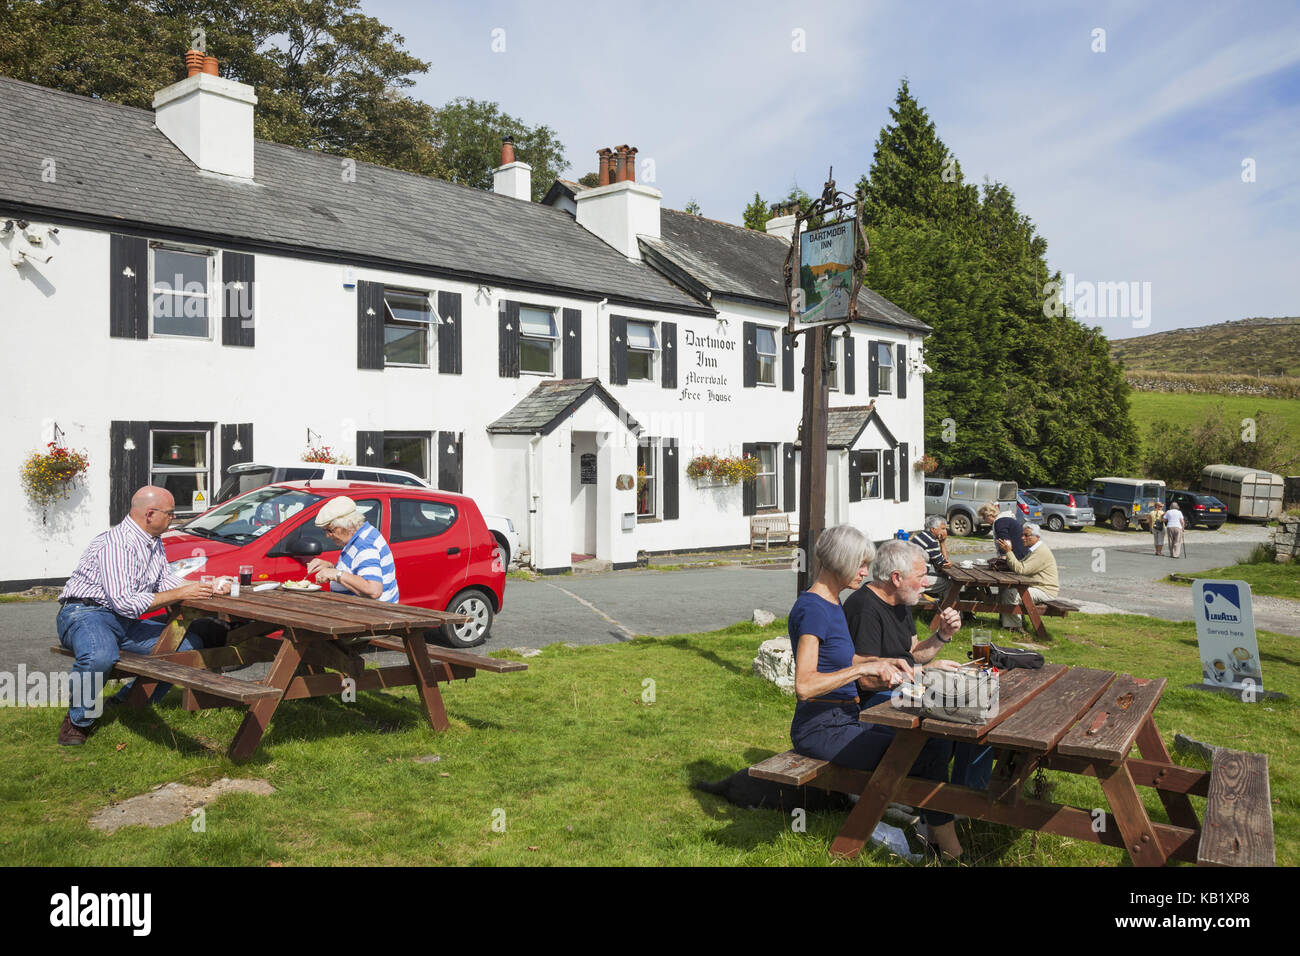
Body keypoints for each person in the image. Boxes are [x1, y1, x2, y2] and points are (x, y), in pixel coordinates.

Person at [788, 530, 966, 859]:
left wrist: (880, 662)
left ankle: (939, 838)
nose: (865, 572)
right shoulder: (813, 609)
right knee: (922, 750)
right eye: (861, 564)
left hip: (845, 718)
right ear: (841, 562)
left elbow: (846, 660)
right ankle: (950, 851)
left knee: (933, 736)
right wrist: (860, 671)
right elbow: (805, 685)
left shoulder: (832, 603)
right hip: (820, 728)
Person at [55, 486, 218, 745]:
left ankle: (128, 701)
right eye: (170, 513)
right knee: (100, 656)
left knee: (188, 647)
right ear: (150, 514)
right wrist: (181, 593)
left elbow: (165, 580)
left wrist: (205, 586)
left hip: (123, 621)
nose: (173, 518)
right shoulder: (117, 544)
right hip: (86, 614)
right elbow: (126, 603)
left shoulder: (152, 541)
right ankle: (78, 721)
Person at [306, 496, 399, 602]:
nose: (327, 535)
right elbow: (356, 571)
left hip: (372, 614)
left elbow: (374, 589)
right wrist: (331, 567)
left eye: (330, 530)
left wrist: (335, 574)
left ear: (348, 525)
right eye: (324, 530)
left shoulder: (365, 546)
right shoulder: (362, 533)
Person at [995, 523, 1059, 630]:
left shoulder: (1041, 552)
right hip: (1037, 587)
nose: (1022, 538)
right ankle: (1008, 622)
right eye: (1022, 535)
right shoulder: (1035, 550)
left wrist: (1008, 552)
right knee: (1005, 589)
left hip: (1045, 591)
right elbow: (1021, 566)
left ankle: (1014, 627)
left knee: (1010, 594)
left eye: (1026, 535)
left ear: (1036, 537)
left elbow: (1021, 569)